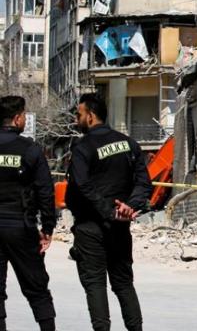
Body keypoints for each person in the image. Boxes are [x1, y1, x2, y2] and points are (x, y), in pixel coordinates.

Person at [66, 93, 152, 331]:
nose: (76, 119)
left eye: (79, 114)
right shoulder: (129, 143)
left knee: (95, 285)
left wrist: (109, 211)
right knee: (124, 284)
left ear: (91, 116)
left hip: (90, 227)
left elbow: (82, 186)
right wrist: (129, 207)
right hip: (120, 226)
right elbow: (144, 182)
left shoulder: (83, 147)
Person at [0, 96, 56, 331]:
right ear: (17, 119)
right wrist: (47, 228)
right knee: (37, 287)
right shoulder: (30, 150)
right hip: (20, 226)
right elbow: (45, 191)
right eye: (23, 115)